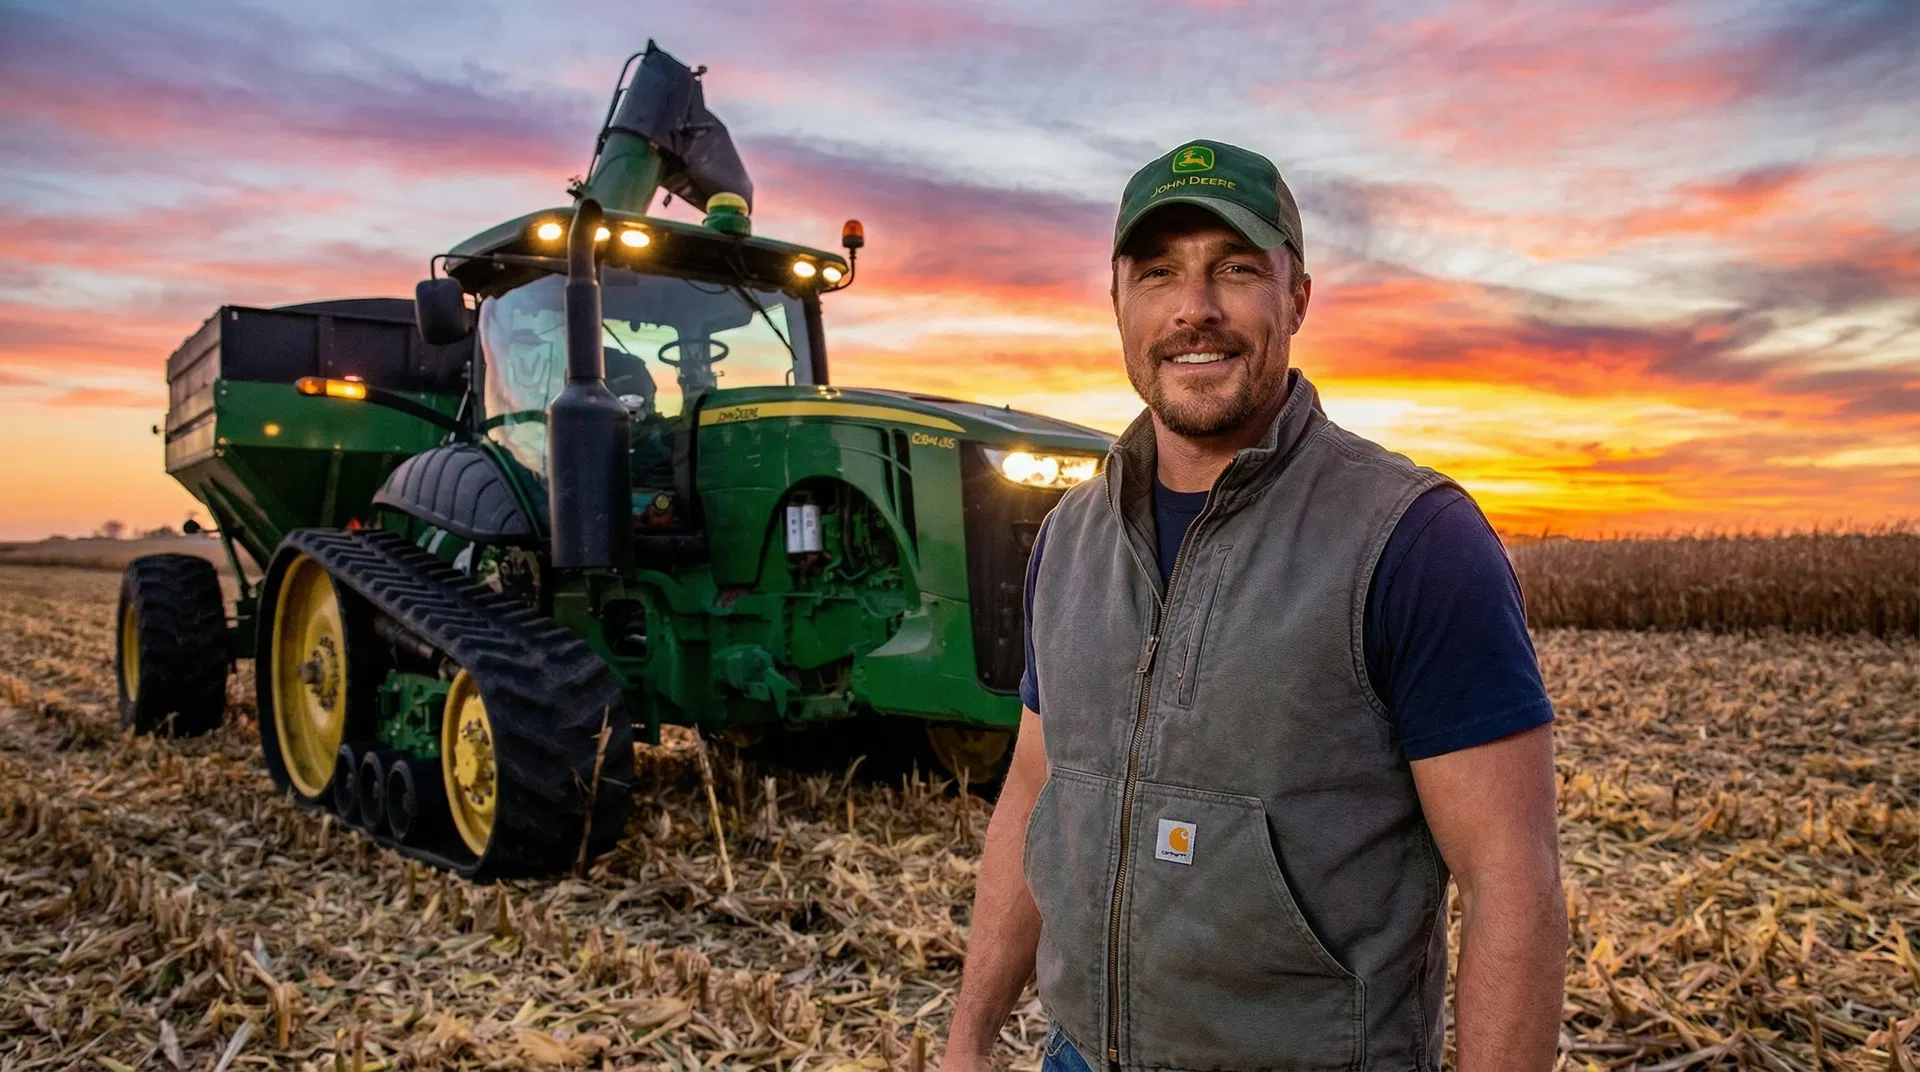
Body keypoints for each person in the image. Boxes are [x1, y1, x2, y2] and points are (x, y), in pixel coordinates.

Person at [941, 140, 1566, 1072]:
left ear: (1298, 298)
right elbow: (1036, 790)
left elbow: (1511, 881)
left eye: (1236, 269)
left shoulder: (1413, 539)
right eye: (1159, 273)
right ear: (1118, 302)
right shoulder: (1071, 538)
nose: (1195, 308)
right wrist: (968, 1036)